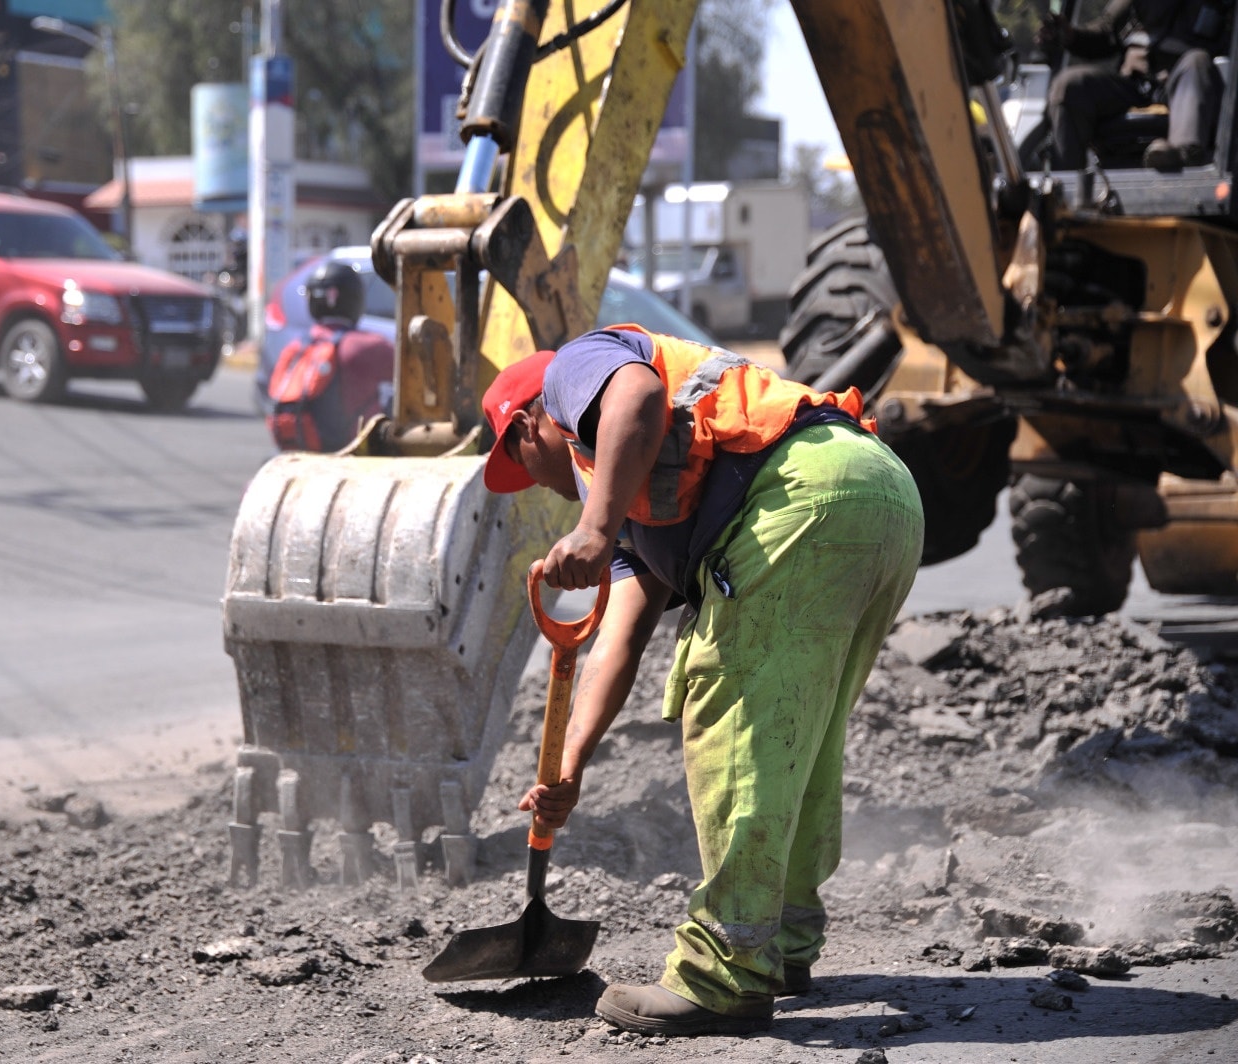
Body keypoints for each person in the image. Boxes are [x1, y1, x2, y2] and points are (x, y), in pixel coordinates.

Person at [480, 325, 925, 1037]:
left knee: (737, 726)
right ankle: (781, 944)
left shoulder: (573, 368)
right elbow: (617, 641)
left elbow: (638, 394)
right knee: (796, 734)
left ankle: (725, 974)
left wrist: (592, 530)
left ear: (531, 422)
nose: (538, 483)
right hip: (877, 495)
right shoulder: (632, 514)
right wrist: (570, 765)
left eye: (523, 462)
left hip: (798, 498)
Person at [1043, 0, 1228, 171]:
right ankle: (1064, 185)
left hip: (1184, 83)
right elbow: (1105, 33)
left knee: (1197, 60)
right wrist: (1070, 35)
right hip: (1133, 84)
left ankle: (1182, 157)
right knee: (1069, 85)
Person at [266, 260, 394, 453]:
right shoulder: (368, 346)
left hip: (296, 448)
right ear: (356, 299)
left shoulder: (296, 347)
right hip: (351, 452)